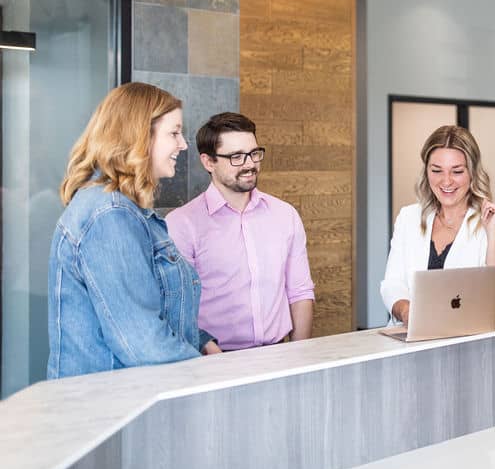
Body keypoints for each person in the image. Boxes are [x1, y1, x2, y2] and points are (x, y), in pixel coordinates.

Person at [48, 82, 220, 379]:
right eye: (174, 133)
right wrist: (212, 376)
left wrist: (201, 340)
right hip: (108, 408)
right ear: (140, 135)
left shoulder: (118, 209)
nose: (183, 144)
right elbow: (143, 343)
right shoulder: (109, 215)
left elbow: (140, 306)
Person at [167, 113, 315, 350]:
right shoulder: (182, 224)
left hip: (279, 353)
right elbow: (177, 307)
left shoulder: (285, 215)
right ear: (208, 162)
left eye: (254, 153)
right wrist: (214, 357)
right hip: (214, 360)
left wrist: (299, 354)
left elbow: (300, 292)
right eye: (236, 156)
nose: (250, 164)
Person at [381, 125, 495, 324]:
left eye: (457, 171)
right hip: (409, 338)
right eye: (436, 170)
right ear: (426, 171)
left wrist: (492, 234)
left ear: (472, 173)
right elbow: (393, 283)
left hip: (464, 341)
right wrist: (407, 312)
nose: (446, 181)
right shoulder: (408, 217)